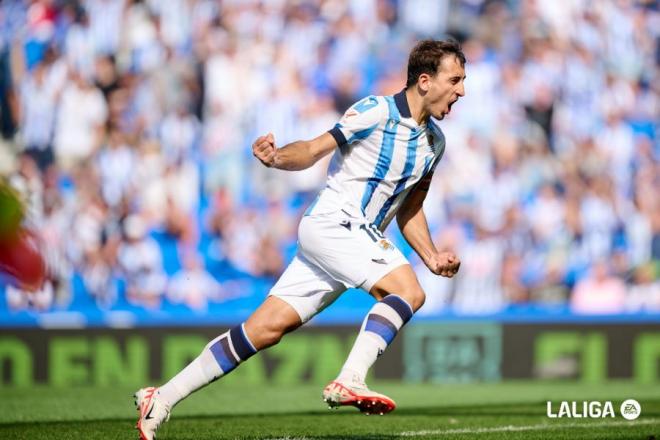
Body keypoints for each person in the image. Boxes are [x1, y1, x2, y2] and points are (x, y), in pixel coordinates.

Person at [134, 39, 466, 439]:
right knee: (408, 292)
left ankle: (162, 397)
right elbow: (312, 149)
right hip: (335, 222)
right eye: (456, 80)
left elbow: (409, 207)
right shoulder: (375, 111)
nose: (461, 91)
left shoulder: (435, 143)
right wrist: (277, 158)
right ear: (426, 81)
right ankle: (351, 378)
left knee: (264, 329)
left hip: (349, 241)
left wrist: (429, 255)